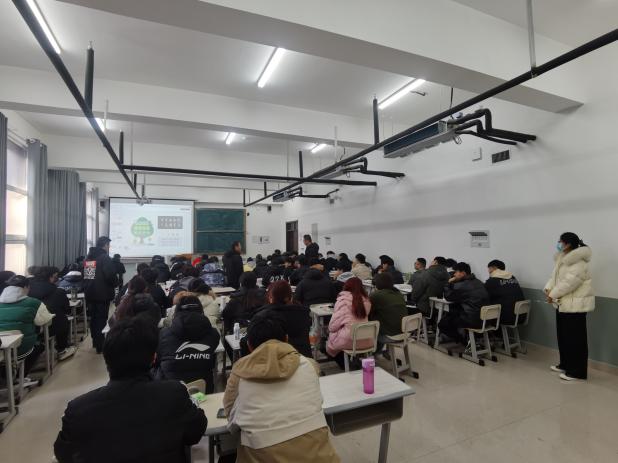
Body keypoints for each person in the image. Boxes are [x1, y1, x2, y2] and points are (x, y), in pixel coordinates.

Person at [54, 317, 207, 463]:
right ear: (153, 358)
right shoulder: (173, 394)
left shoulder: (78, 410)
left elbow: (64, 454)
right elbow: (195, 432)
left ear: (107, 360)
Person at [223, 316, 340, 463]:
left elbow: (231, 419)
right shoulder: (310, 365)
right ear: (286, 339)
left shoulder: (239, 373)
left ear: (249, 346)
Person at [545, 232, 594, 381]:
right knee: (564, 337)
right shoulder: (562, 258)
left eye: (560, 241)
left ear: (568, 244)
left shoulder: (579, 262)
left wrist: (553, 294)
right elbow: (554, 277)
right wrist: (548, 289)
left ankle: (578, 372)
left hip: (575, 307)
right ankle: (565, 364)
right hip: (563, 304)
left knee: (576, 340)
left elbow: (570, 282)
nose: (558, 244)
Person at [155, 295, 220, 393]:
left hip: (169, 392)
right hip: (203, 392)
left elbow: (159, 359)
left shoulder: (163, 334)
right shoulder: (213, 334)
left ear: (176, 311)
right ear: (201, 310)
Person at [0, 275, 55, 373]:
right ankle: (20, 376)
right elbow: (45, 321)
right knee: (39, 346)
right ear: (26, 287)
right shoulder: (34, 303)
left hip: (1, 348)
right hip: (21, 348)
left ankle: (8, 374)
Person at [253, 281, 312, 358]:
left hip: (277, 359)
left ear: (271, 298)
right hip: (304, 357)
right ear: (290, 296)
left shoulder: (264, 317)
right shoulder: (304, 312)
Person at [28, 266, 76, 361]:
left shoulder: (27, 292)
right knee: (62, 319)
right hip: (52, 328)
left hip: (31, 329)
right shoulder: (59, 291)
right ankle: (62, 350)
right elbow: (67, 310)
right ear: (51, 277)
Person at [326, 277, 372, 369]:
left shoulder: (343, 301)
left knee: (328, 341)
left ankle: (347, 366)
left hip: (348, 340)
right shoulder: (367, 301)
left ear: (346, 286)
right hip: (366, 339)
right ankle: (354, 362)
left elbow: (332, 327)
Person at [83, 236, 118, 353]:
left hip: (90, 292)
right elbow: (110, 275)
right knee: (101, 319)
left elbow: (88, 276)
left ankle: (95, 341)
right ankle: (100, 345)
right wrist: (115, 283)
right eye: (108, 245)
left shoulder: (89, 257)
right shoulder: (104, 258)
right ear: (105, 245)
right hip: (102, 293)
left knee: (93, 318)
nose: (109, 247)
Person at [439, 262, 489, 344]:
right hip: (485, 319)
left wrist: (448, 283)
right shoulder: (479, 282)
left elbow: (448, 296)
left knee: (443, 323)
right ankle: (464, 338)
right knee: (453, 314)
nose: (454, 274)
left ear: (463, 273)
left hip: (473, 320)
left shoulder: (462, 285)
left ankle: (462, 340)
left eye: (456, 272)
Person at [369, 272, 407, 351]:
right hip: (404, 333)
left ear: (377, 284)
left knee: (366, 324)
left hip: (389, 335)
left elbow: (367, 312)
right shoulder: (399, 293)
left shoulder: (377, 295)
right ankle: (378, 351)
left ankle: (371, 353)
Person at [485, 260, 525, 325]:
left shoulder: (492, 281)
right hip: (521, 316)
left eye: (489, 269)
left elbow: (483, 296)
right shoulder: (512, 277)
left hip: (506, 318)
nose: (488, 271)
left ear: (494, 268)